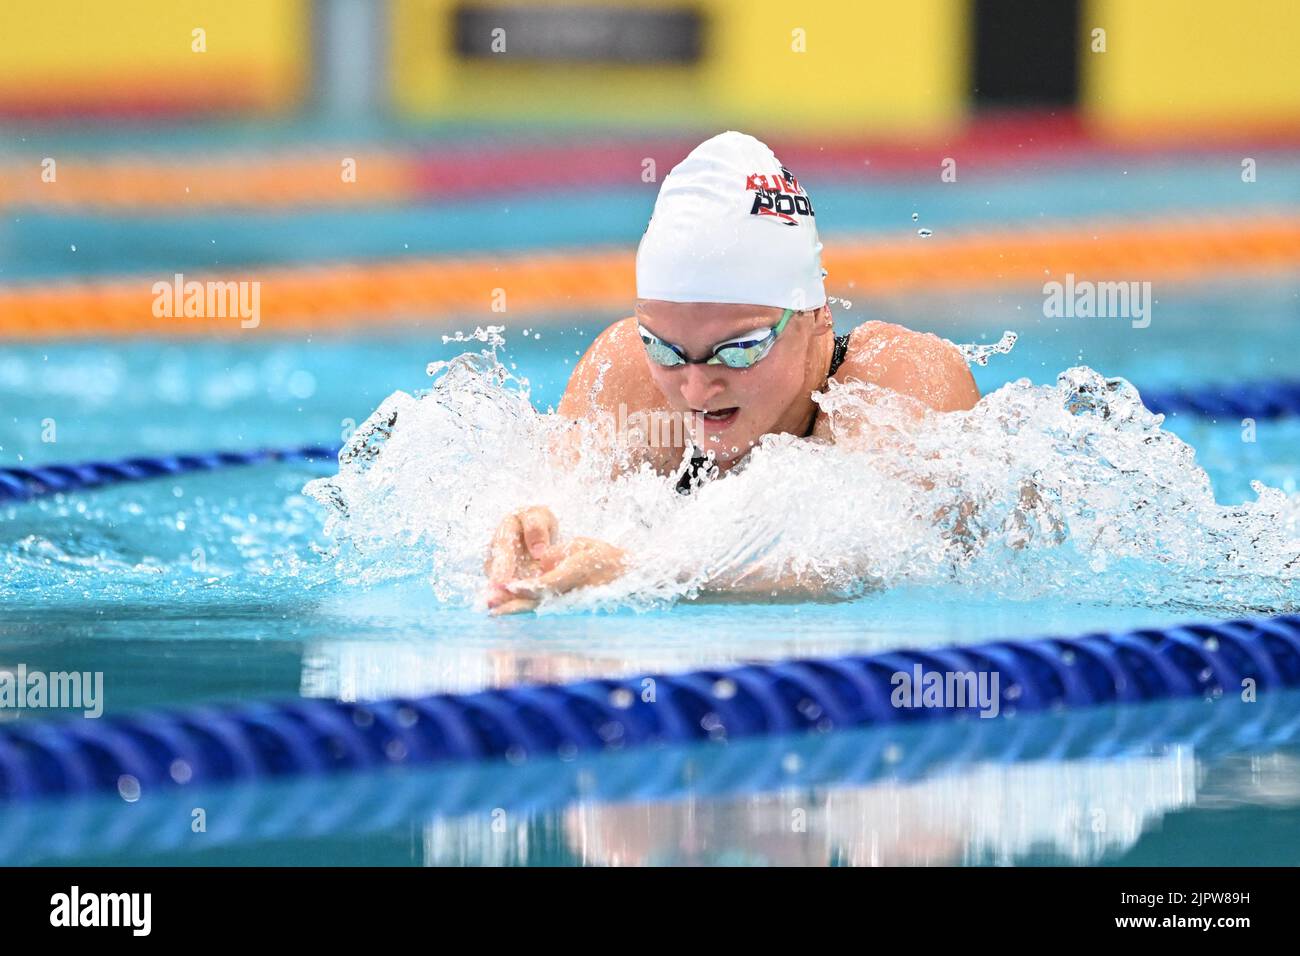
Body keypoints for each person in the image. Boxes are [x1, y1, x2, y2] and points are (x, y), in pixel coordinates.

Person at [486, 131, 980, 615]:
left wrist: (639, 570)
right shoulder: (625, 371)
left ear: (816, 314)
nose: (697, 388)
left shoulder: (900, 381)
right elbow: (559, 509)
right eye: (666, 350)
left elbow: (861, 557)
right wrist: (528, 536)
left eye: (739, 350)